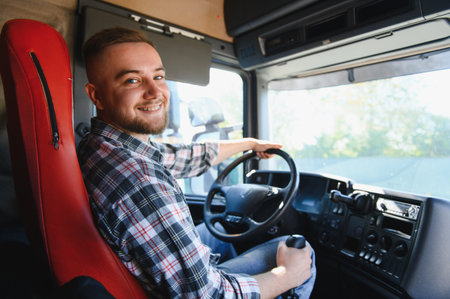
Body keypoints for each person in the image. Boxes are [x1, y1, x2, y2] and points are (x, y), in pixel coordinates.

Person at [77, 27, 315, 298]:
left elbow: (184, 157)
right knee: (295, 248)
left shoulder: (102, 146)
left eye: (159, 76)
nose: (155, 92)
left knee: (224, 228)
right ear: (96, 96)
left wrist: (250, 144)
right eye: (132, 81)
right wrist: (287, 275)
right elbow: (207, 295)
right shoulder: (140, 179)